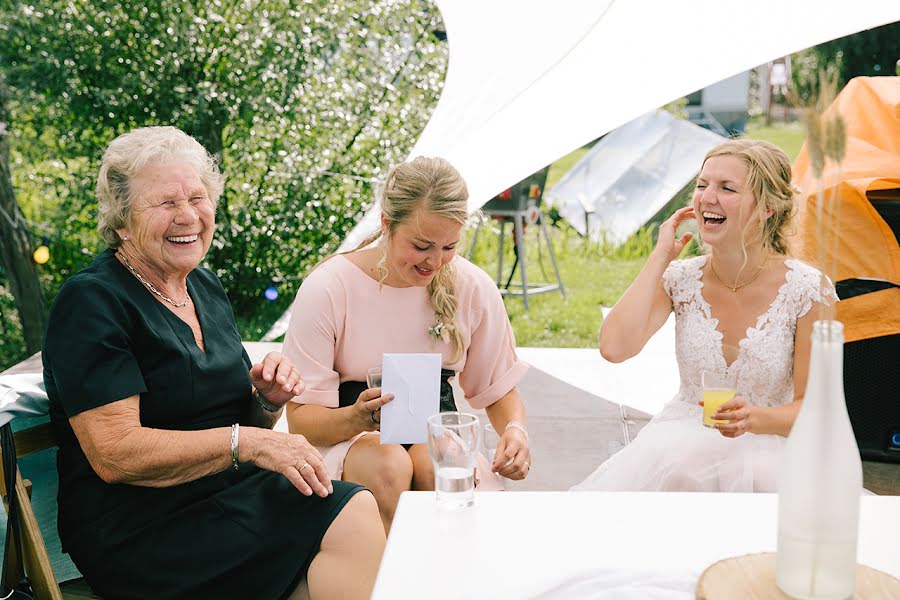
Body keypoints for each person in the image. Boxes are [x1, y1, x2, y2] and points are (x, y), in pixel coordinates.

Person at [42, 126, 385, 600]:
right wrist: (249, 442)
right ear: (121, 220)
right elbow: (114, 453)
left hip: (225, 496)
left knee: (340, 515)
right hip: (140, 529)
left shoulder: (203, 286)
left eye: (198, 198)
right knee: (347, 512)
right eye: (165, 203)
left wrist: (266, 403)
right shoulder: (92, 301)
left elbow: (233, 423)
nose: (188, 216)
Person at [282, 156, 532, 531]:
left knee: (437, 466)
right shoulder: (330, 288)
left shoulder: (472, 286)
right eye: (421, 245)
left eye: (449, 247)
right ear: (387, 223)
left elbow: (496, 390)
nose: (435, 262)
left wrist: (515, 430)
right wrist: (356, 418)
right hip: (349, 438)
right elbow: (300, 420)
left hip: (435, 435)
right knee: (389, 465)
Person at [573, 139, 837, 492]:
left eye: (727, 188)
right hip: (680, 444)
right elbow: (614, 348)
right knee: (683, 472)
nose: (706, 197)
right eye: (701, 185)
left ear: (768, 208)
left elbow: (817, 409)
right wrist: (660, 257)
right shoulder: (680, 279)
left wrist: (754, 418)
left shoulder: (808, 289)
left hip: (772, 450)